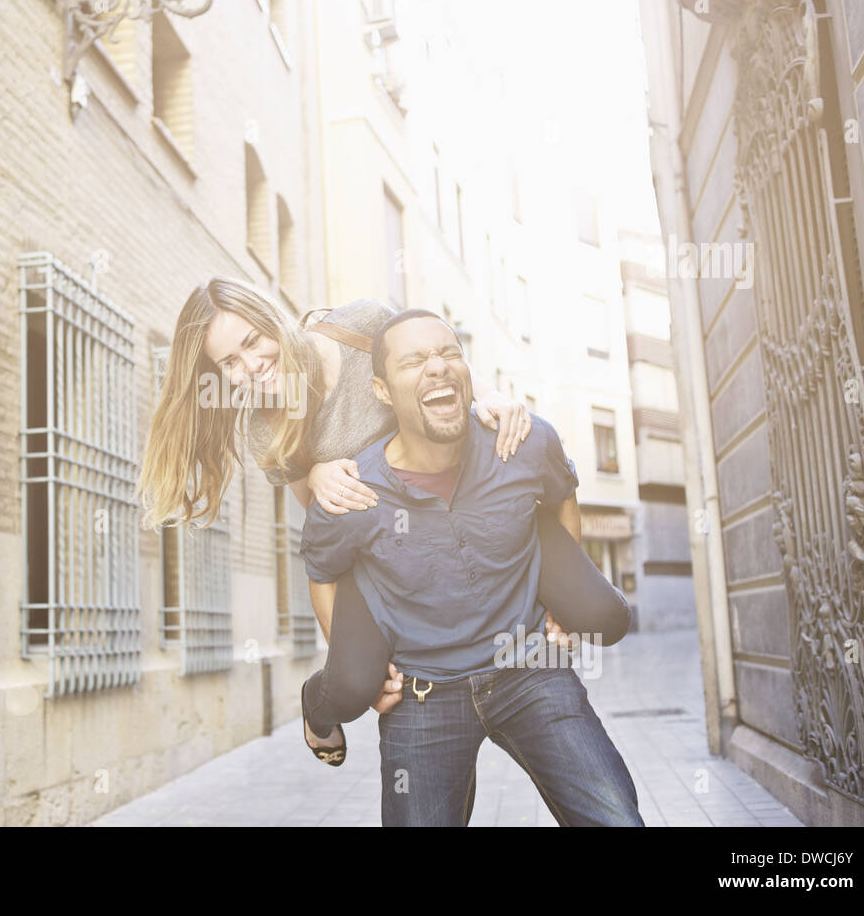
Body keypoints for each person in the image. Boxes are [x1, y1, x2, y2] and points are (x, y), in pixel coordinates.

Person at [137, 278, 629, 767]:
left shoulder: (360, 325)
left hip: (477, 510)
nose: (250, 366)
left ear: (272, 319)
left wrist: (494, 395)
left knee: (602, 615)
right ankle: (317, 704)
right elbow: (325, 527)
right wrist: (315, 471)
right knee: (354, 685)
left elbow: (431, 356)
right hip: (387, 546)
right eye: (229, 363)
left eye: (251, 342)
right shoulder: (266, 425)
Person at [300, 308, 643, 826]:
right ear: (382, 391)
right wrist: (357, 667)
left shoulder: (523, 444)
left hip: (530, 672)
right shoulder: (353, 492)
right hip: (422, 695)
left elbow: (563, 494)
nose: (437, 367)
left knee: (617, 819)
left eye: (449, 353)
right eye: (414, 361)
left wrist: (562, 599)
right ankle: (320, 700)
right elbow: (322, 573)